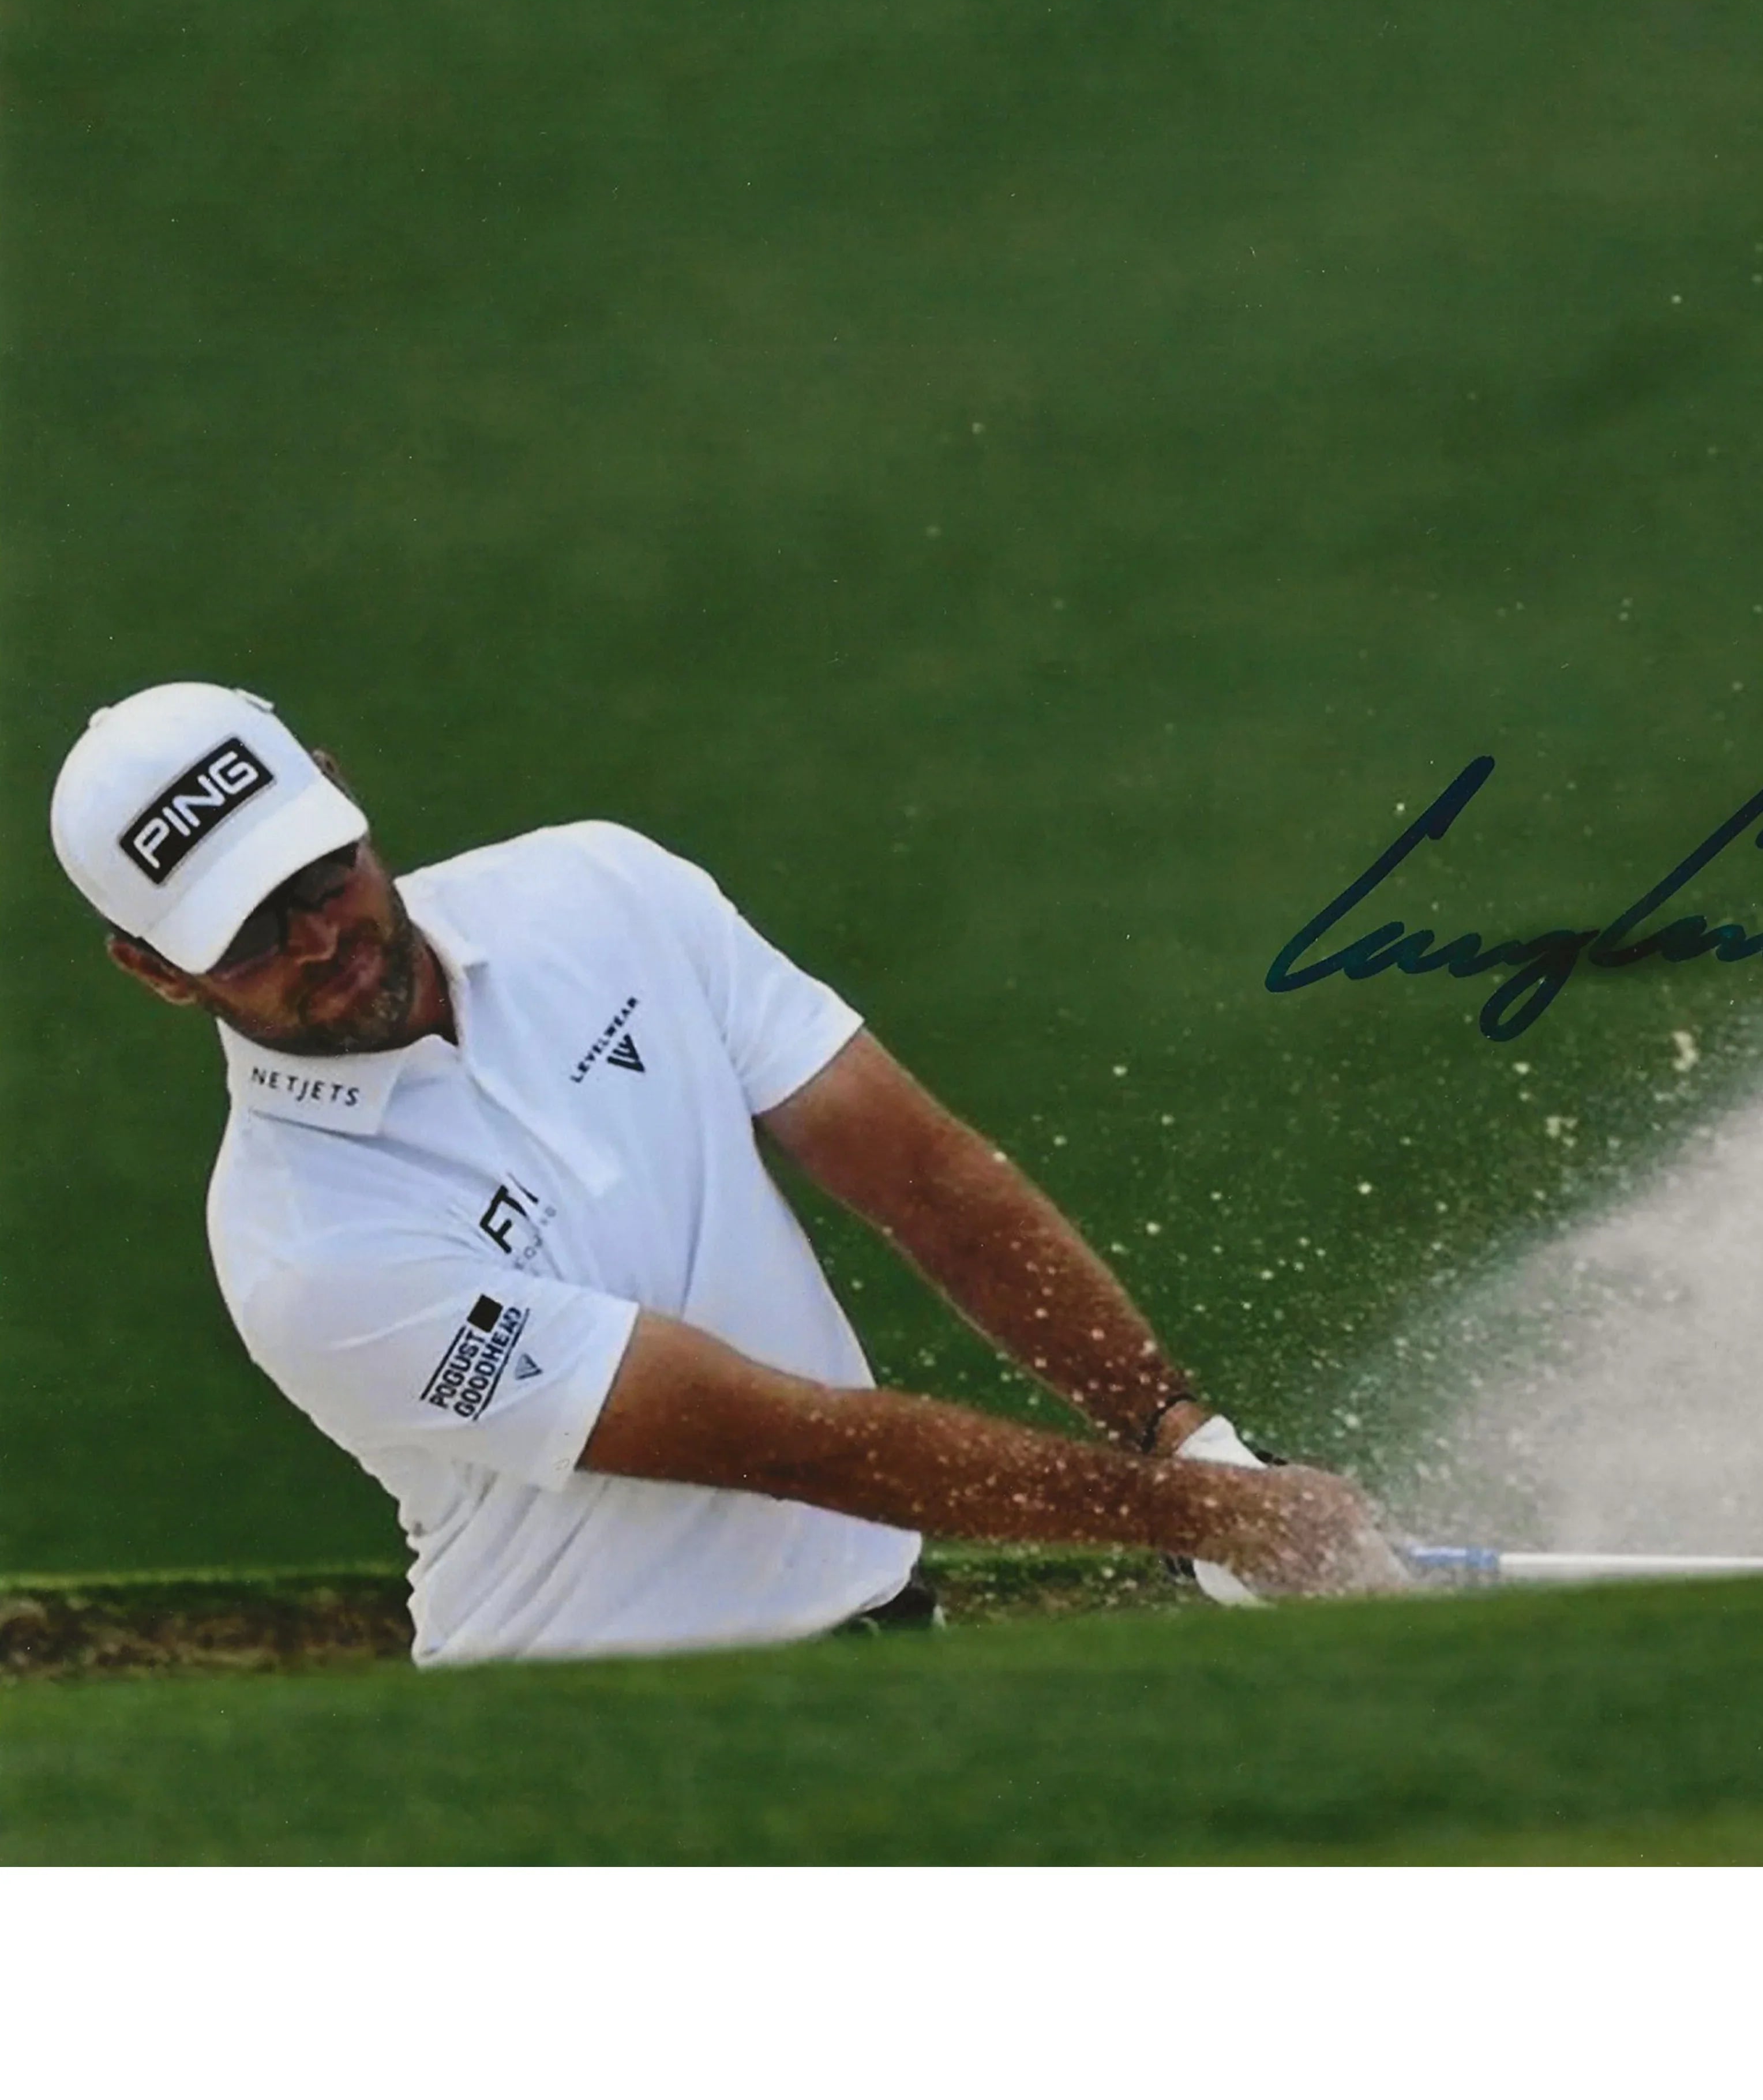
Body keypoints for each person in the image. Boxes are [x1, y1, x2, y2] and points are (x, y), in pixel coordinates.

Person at [48, 681, 1403, 1666]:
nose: (320, 936)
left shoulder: (598, 891)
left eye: (319, 873)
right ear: (155, 971)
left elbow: (920, 1177)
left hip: (878, 1644)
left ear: (342, 794)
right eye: (248, 935)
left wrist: (1176, 1428)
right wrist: (1203, 1517)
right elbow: (782, 1443)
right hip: (600, 1751)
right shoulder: (307, 1251)